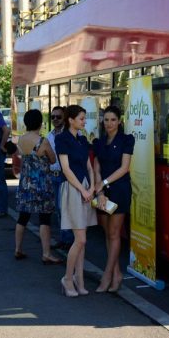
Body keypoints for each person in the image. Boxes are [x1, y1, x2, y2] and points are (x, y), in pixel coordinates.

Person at [55, 105, 97, 297]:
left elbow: (89, 166)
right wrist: (83, 190)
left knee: (81, 241)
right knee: (80, 239)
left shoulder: (82, 139)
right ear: (71, 120)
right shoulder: (62, 139)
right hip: (73, 189)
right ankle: (67, 278)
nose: (84, 121)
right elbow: (66, 169)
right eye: (81, 118)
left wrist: (92, 187)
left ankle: (79, 281)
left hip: (84, 187)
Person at [93, 105, 135, 293]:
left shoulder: (126, 140)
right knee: (107, 233)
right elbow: (96, 168)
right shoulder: (99, 142)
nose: (109, 123)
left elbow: (124, 168)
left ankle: (107, 275)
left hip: (119, 190)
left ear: (119, 121)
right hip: (103, 192)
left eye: (113, 120)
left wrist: (103, 183)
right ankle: (116, 274)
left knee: (114, 233)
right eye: (106, 120)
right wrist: (100, 191)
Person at [15, 109, 62, 264]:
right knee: (44, 219)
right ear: (40, 123)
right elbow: (53, 160)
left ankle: (18, 249)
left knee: (23, 217)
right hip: (42, 184)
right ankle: (46, 253)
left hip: (25, 184)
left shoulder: (21, 139)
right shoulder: (43, 141)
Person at [47, 106, 74, 250]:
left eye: (58, 117)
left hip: (66, 176)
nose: (55, 119)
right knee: (58, 209)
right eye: (53, 117)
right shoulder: (49, 136)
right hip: (54, 176)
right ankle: (64, 239)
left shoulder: (70, 133)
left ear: (65, 118)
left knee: (65, 208)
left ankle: (70, 240)